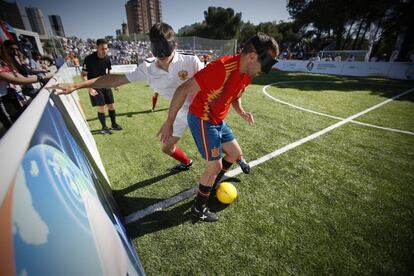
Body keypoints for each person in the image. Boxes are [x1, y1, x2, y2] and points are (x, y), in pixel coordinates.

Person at [51, 23, 251, 173]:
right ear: (152, 49)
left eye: (167, 52)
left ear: (175, 45)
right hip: (179, 115)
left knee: (220, 154)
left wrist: (237, 106)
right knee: (166, 148)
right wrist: (76, 85)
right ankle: (187, 162)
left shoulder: (191, 61)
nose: (163, 58)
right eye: (159, 53)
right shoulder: (146, 68)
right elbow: (114, 80)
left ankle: (233, 161)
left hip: (201, 114)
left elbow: (219, 84)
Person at [158, 33, 279, 222]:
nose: (266, 69)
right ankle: (198, 209)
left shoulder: (248, 72)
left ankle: (212, 184)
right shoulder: (221, 68)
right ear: (253, 56)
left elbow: (236, 94)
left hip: (218, 120)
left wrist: (241, 111)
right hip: (202, 119)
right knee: (214, 166)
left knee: (234, 153)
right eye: (268, 62)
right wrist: (169, 122)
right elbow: (183, 90)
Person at [0, 42, 51, 129]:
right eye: (12, 49)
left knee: (20, 119)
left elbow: (21, 76)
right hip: (2, 99)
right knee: (13, 126)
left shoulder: (6, 63)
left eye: (17, 49)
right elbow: (18, 80)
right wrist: (41, 78)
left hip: (12, 95)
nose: (15, 52)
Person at [81, 38, 122, 134]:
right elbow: (83, 75)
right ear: (97, 48)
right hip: (94, 86)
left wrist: (113, 83)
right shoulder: (89, 59)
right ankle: (104, 127)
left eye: (106, 48)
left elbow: (109, 72)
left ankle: (114, 124)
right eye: (102, 49)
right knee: (101, 106)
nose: (105, 51)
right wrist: (89, 88)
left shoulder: (107, 58)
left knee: (111, 105)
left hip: (106, 85)